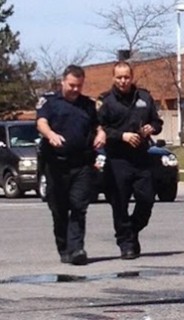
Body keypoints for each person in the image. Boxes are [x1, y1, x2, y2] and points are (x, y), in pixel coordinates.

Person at [36, 65, 106, 265]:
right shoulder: (49, 102)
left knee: (78, 206)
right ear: (63, 82)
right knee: (59, 208)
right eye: (72, 85)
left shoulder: (88, 105)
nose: (75, 89)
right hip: (56, 164)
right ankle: (63, 247)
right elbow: (41, 122)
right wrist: (50, 135)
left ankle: (77, 249)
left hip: (82, 163)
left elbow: (98, 125)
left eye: (79, 86)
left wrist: (101, 134)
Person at [97, 61, 164, 260]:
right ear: (113, 78)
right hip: (118, 159)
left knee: (146, 199)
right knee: (119, 204)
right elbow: (100, 127)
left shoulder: (144, 97)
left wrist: (151, 128)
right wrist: (122, 136)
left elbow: (157, 122)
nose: (123, 81)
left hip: (141, 157)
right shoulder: (106, 101)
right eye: (119, 77)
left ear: (132, 77)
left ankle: (131, 231)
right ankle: (126, 244)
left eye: (126, 77)